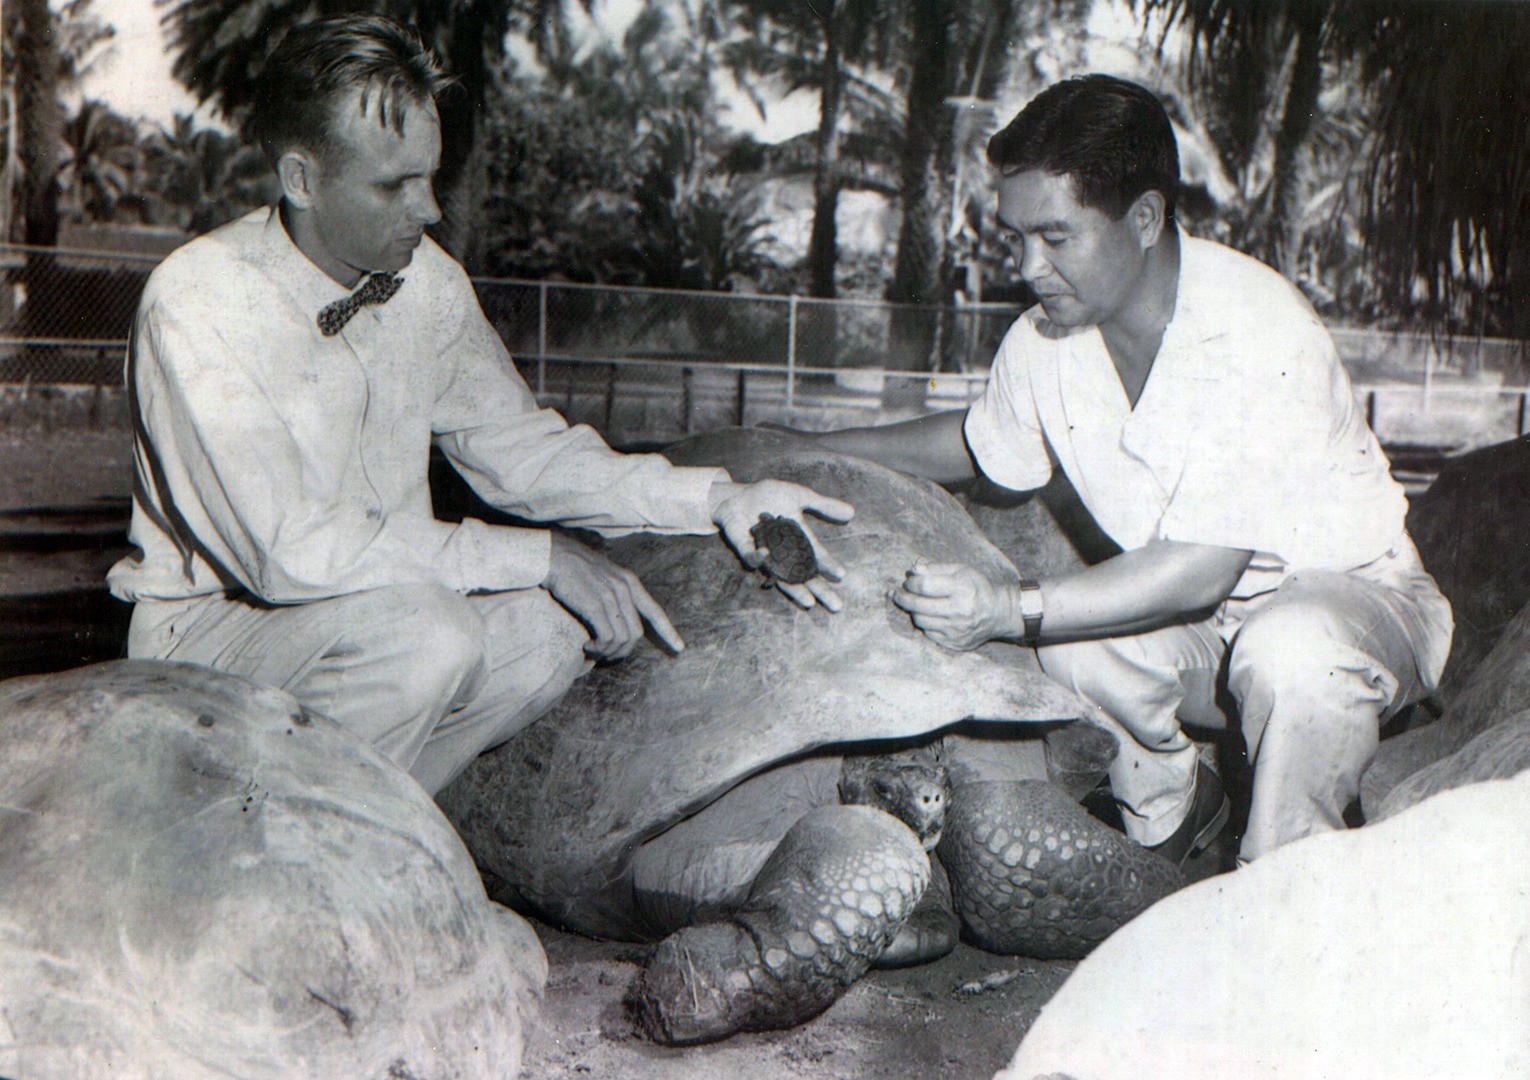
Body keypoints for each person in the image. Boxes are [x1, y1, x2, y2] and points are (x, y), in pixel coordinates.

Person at [106, 14, 851, 796]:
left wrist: (718, 499)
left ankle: (370, 822)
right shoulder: (198, 298)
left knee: (552, 628)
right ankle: (283, 835)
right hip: (213, 632)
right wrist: (539, 556)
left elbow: (523, 453)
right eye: (394, 185)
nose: (429, 209)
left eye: (430, 175)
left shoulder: (427, 282)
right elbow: (292, 552)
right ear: (301, 181)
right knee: (431, 635)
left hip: (373, 615)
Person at [809, 74, 1453, 864]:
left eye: (1055, 236)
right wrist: (809, 447)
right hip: (1213, 636)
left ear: (1144, 218)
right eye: (1017, 236)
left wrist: (1007, 607)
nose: (1028, 266)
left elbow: (1202, 569)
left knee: (1284, 648)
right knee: (1073, 644)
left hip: (1353, 611)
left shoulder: (1257, 327)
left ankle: (1283, 883)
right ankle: (1173, 827)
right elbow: (978, 447)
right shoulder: (1045, 337)